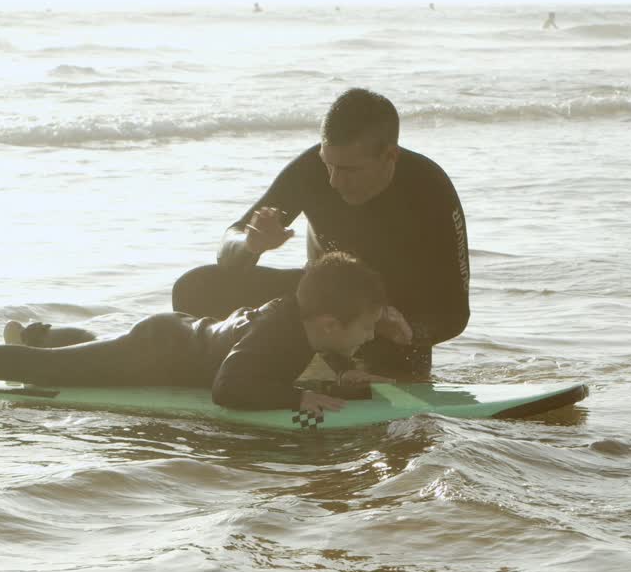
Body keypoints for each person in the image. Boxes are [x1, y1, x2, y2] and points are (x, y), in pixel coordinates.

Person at [170, 88, 470, 381]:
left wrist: (410, 330)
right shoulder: (310, 169)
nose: (335, 181)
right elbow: (230, 244)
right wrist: (251, 244)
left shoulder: (430, 191)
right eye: (329, 165)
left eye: (350, 170)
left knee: (390, 381)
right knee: (195, 288)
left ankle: (321, 373)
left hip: (382, 328)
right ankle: (231, 375)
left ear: (389, 155)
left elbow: (455, 314)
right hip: (314, 312)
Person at [0, 253, 391, 414]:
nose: (370, 337)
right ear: (329, 323)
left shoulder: (302, 322)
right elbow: (229, 390)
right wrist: (298, 401)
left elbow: (326, 348)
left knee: (92, 352)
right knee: (60, 373)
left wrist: (345, 375)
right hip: (158, 353)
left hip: (171, 338)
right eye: (366, 328)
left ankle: (37, 336)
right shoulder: (279, 337)